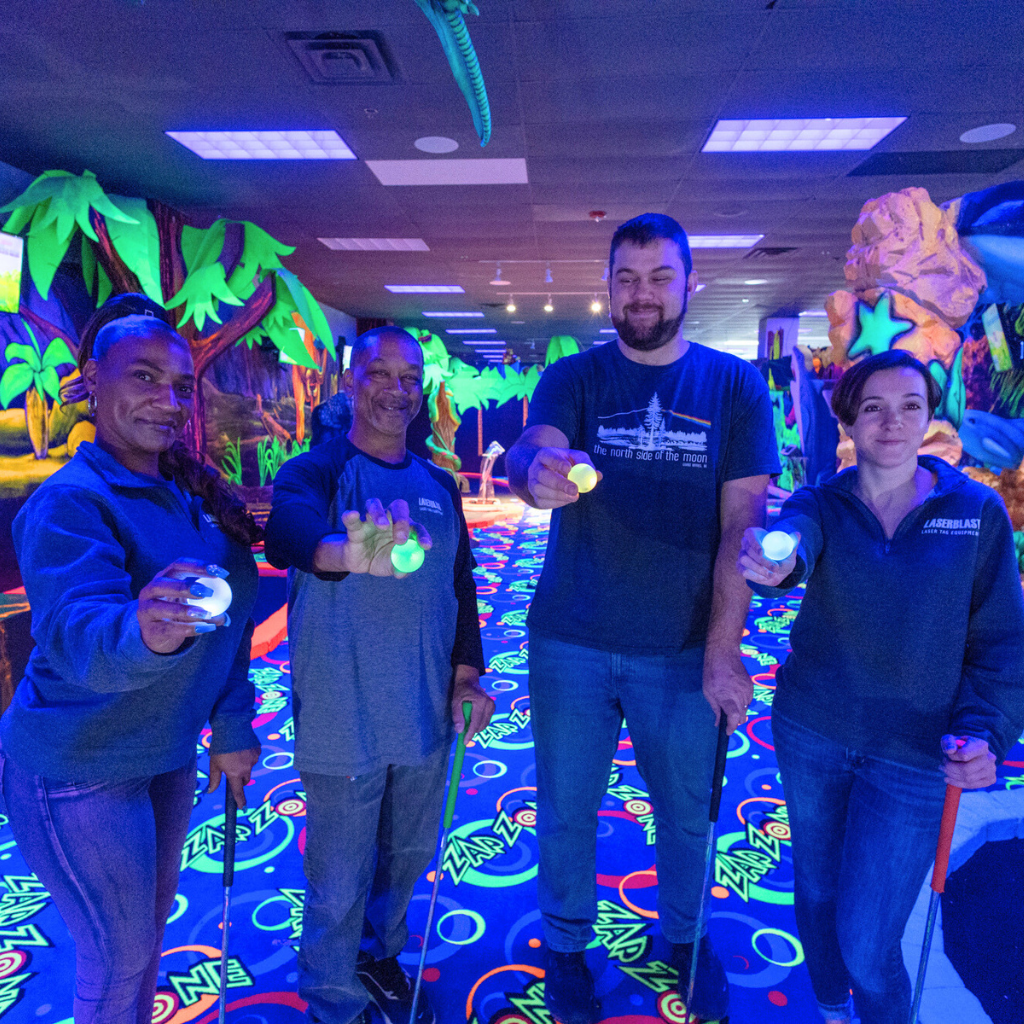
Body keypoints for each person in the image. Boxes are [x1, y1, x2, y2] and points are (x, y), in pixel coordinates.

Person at [506, 213, 780, 1024]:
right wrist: (537, 471)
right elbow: (534, 448)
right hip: (571, 641)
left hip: (683, 644)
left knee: (687, 811)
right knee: (564, 808)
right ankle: (564, 949)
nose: (643, 294)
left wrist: (724, 651)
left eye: (661, 277)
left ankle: (685, 942)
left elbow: (742, 526)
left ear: (691, 283)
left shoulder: (735, 388)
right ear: (610, 286)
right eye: (627, 278)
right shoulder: (576, 377)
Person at [738, 349, 1024, 1024]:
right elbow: (791, 540)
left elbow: (1002, 646)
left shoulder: (976, 512)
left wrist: (987, 731)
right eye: (873, 407)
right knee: (815, 890)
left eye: (909, 407)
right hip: (814, 732)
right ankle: (832, 1006)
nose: (892, 423)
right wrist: (772, 562)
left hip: (917, 754)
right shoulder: (823, 501)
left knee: (869, 940)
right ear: (849, 419)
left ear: (928, 417)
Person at [1, 310, 262, 1023]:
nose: (167, 401)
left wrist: (232, 725)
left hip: (166, 756)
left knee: (142, 944)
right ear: (92, 383)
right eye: (143, 378)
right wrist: (141, 630)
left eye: (180, 386)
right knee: (116, 958)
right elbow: (75, 633)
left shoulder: (184, 496)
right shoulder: (69, 503)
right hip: (77, 768)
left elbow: (228, 626)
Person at [263, 327, 494, 1024]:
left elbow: (461, 587)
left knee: (407, 855)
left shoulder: (437, 485)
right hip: (343, 711)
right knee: (337, 877)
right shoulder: (317, 472)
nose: (396, 390)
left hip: (425, 711)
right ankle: (333, 998)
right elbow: (287, 535)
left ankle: (379, 953)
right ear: (351, 382)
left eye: (409, 377)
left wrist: (465, 677)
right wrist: (346, 552)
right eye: (380, 374)